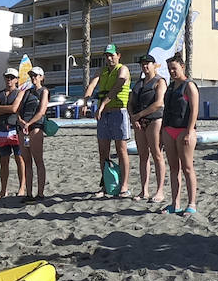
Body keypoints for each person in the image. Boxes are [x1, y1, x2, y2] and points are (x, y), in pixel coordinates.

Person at [82, 44, 131, 197]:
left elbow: (117, 87)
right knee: (103, 151)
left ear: (118, 55)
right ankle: (106, 184)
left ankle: (124, 185)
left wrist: (102, 104)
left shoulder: (123, 69)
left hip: (118, 112)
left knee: (121, 150)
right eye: (107, 56)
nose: (109, 58)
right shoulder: (101, 71)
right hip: (103, 115)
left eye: (112, 55)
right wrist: (85, 102)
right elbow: (91, 85)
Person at [160, 54, 198, 215]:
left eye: (174, 68)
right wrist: (162, 132)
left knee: (187, 168)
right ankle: (175, 204)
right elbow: (165, 110)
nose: (172, 72)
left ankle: (192, 203)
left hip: (184, 130)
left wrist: (189, 132)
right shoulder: (170, 87)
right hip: (169, 129)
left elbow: (194, 111)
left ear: (182, 66)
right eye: (169, 69)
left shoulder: (189, 86)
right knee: (174, 168)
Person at [127, 53, 167, 202]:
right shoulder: (139, 83)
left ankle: (160, 191)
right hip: (138, 121)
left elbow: (158, 103)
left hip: (154, 119)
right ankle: (144, 190)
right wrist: (133, 117)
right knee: (143, 155)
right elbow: (130, 102)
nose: (144, 66)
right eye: (142, 64)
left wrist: (138, 115)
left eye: (147, 64)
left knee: (157, 154)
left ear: (153, 65)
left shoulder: (159, 82)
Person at [0, 67, 27, 199]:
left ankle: (21, 188)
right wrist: (1, 109)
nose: (9, 80)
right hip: (2, 130)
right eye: (7, 77)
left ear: (16, 79)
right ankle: (3, 190)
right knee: (3, 161)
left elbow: (14, 108)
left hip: (15, 129)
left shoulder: (20, 93)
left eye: (12, 78)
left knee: (19, 159)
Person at [18, 65, 50, 201]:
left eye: (35, 76)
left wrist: (29, 123)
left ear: (41, 77)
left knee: (38, 160)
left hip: (35, 126)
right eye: (31, 75)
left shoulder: (44, 91)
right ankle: (29, 193)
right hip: (23, 127)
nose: (33, 78)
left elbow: (42, 111)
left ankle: (40, 193)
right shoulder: (27, 92)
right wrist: (21, 121)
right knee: (27, 161)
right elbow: (18, 109)